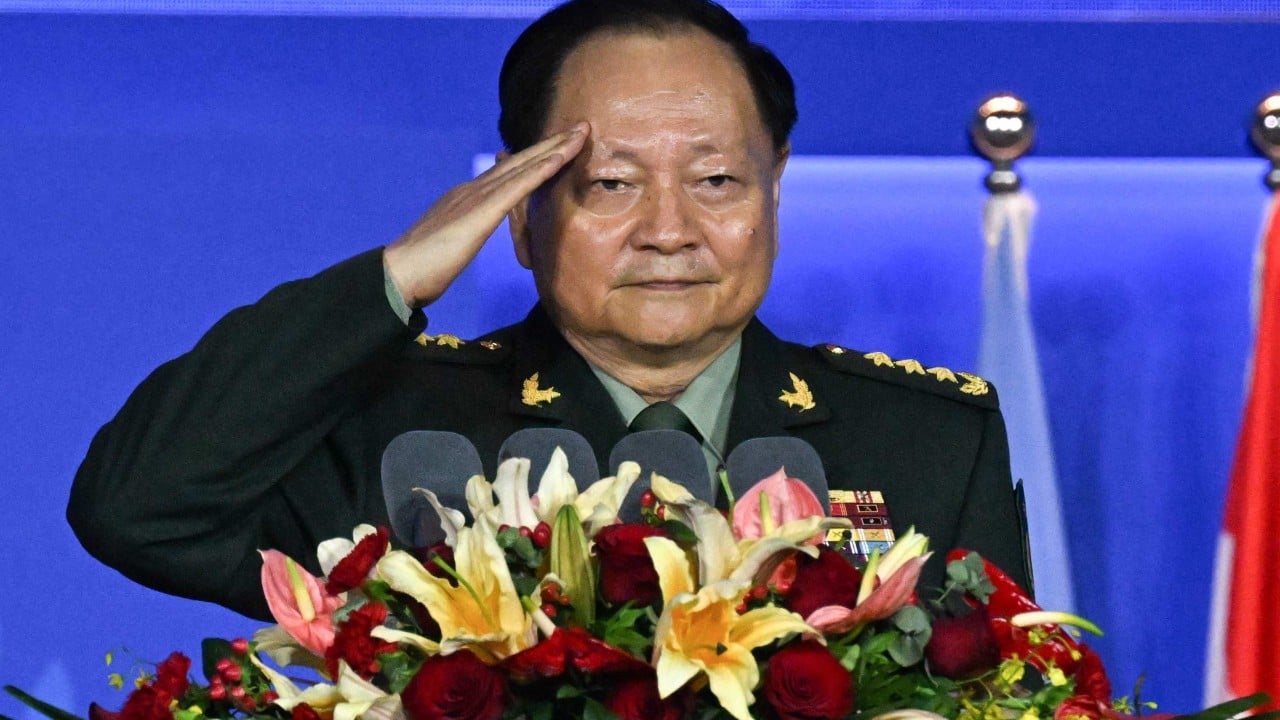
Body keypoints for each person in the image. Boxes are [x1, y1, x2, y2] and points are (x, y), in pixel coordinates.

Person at [68, 0, 1030, 621]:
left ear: (775, 192)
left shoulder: (929, 440)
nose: (668, 231)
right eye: (610, 183)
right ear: (520, 211)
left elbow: (1005, 688)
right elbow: (137, 511)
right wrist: (397, 278)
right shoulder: (398, 428)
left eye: (717, 180)